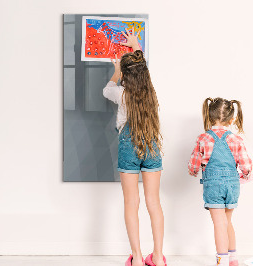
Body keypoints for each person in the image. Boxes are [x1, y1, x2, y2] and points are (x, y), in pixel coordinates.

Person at [102, 28, 167, 266]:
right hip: (151, 145)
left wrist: (117, 70)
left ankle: (138, 258)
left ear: (126, 77)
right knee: (154, 202)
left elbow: (106, 90)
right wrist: (136, 46)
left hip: (128, 147)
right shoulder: (151, 93)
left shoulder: (122, 94)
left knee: (132, 203)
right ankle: (158, 257)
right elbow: (142, 70)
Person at [188, 98, 253, 266]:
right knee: (227, 222)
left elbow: (193, 164)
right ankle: (233, 260)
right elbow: (246, 165)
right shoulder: (236, 139)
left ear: (209, 117)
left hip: (213, 186)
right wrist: (245, 176)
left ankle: (222, 261)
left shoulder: (203, 138)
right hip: (232, 185)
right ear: (231, 120)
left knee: (219, 224)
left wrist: (194, 171)